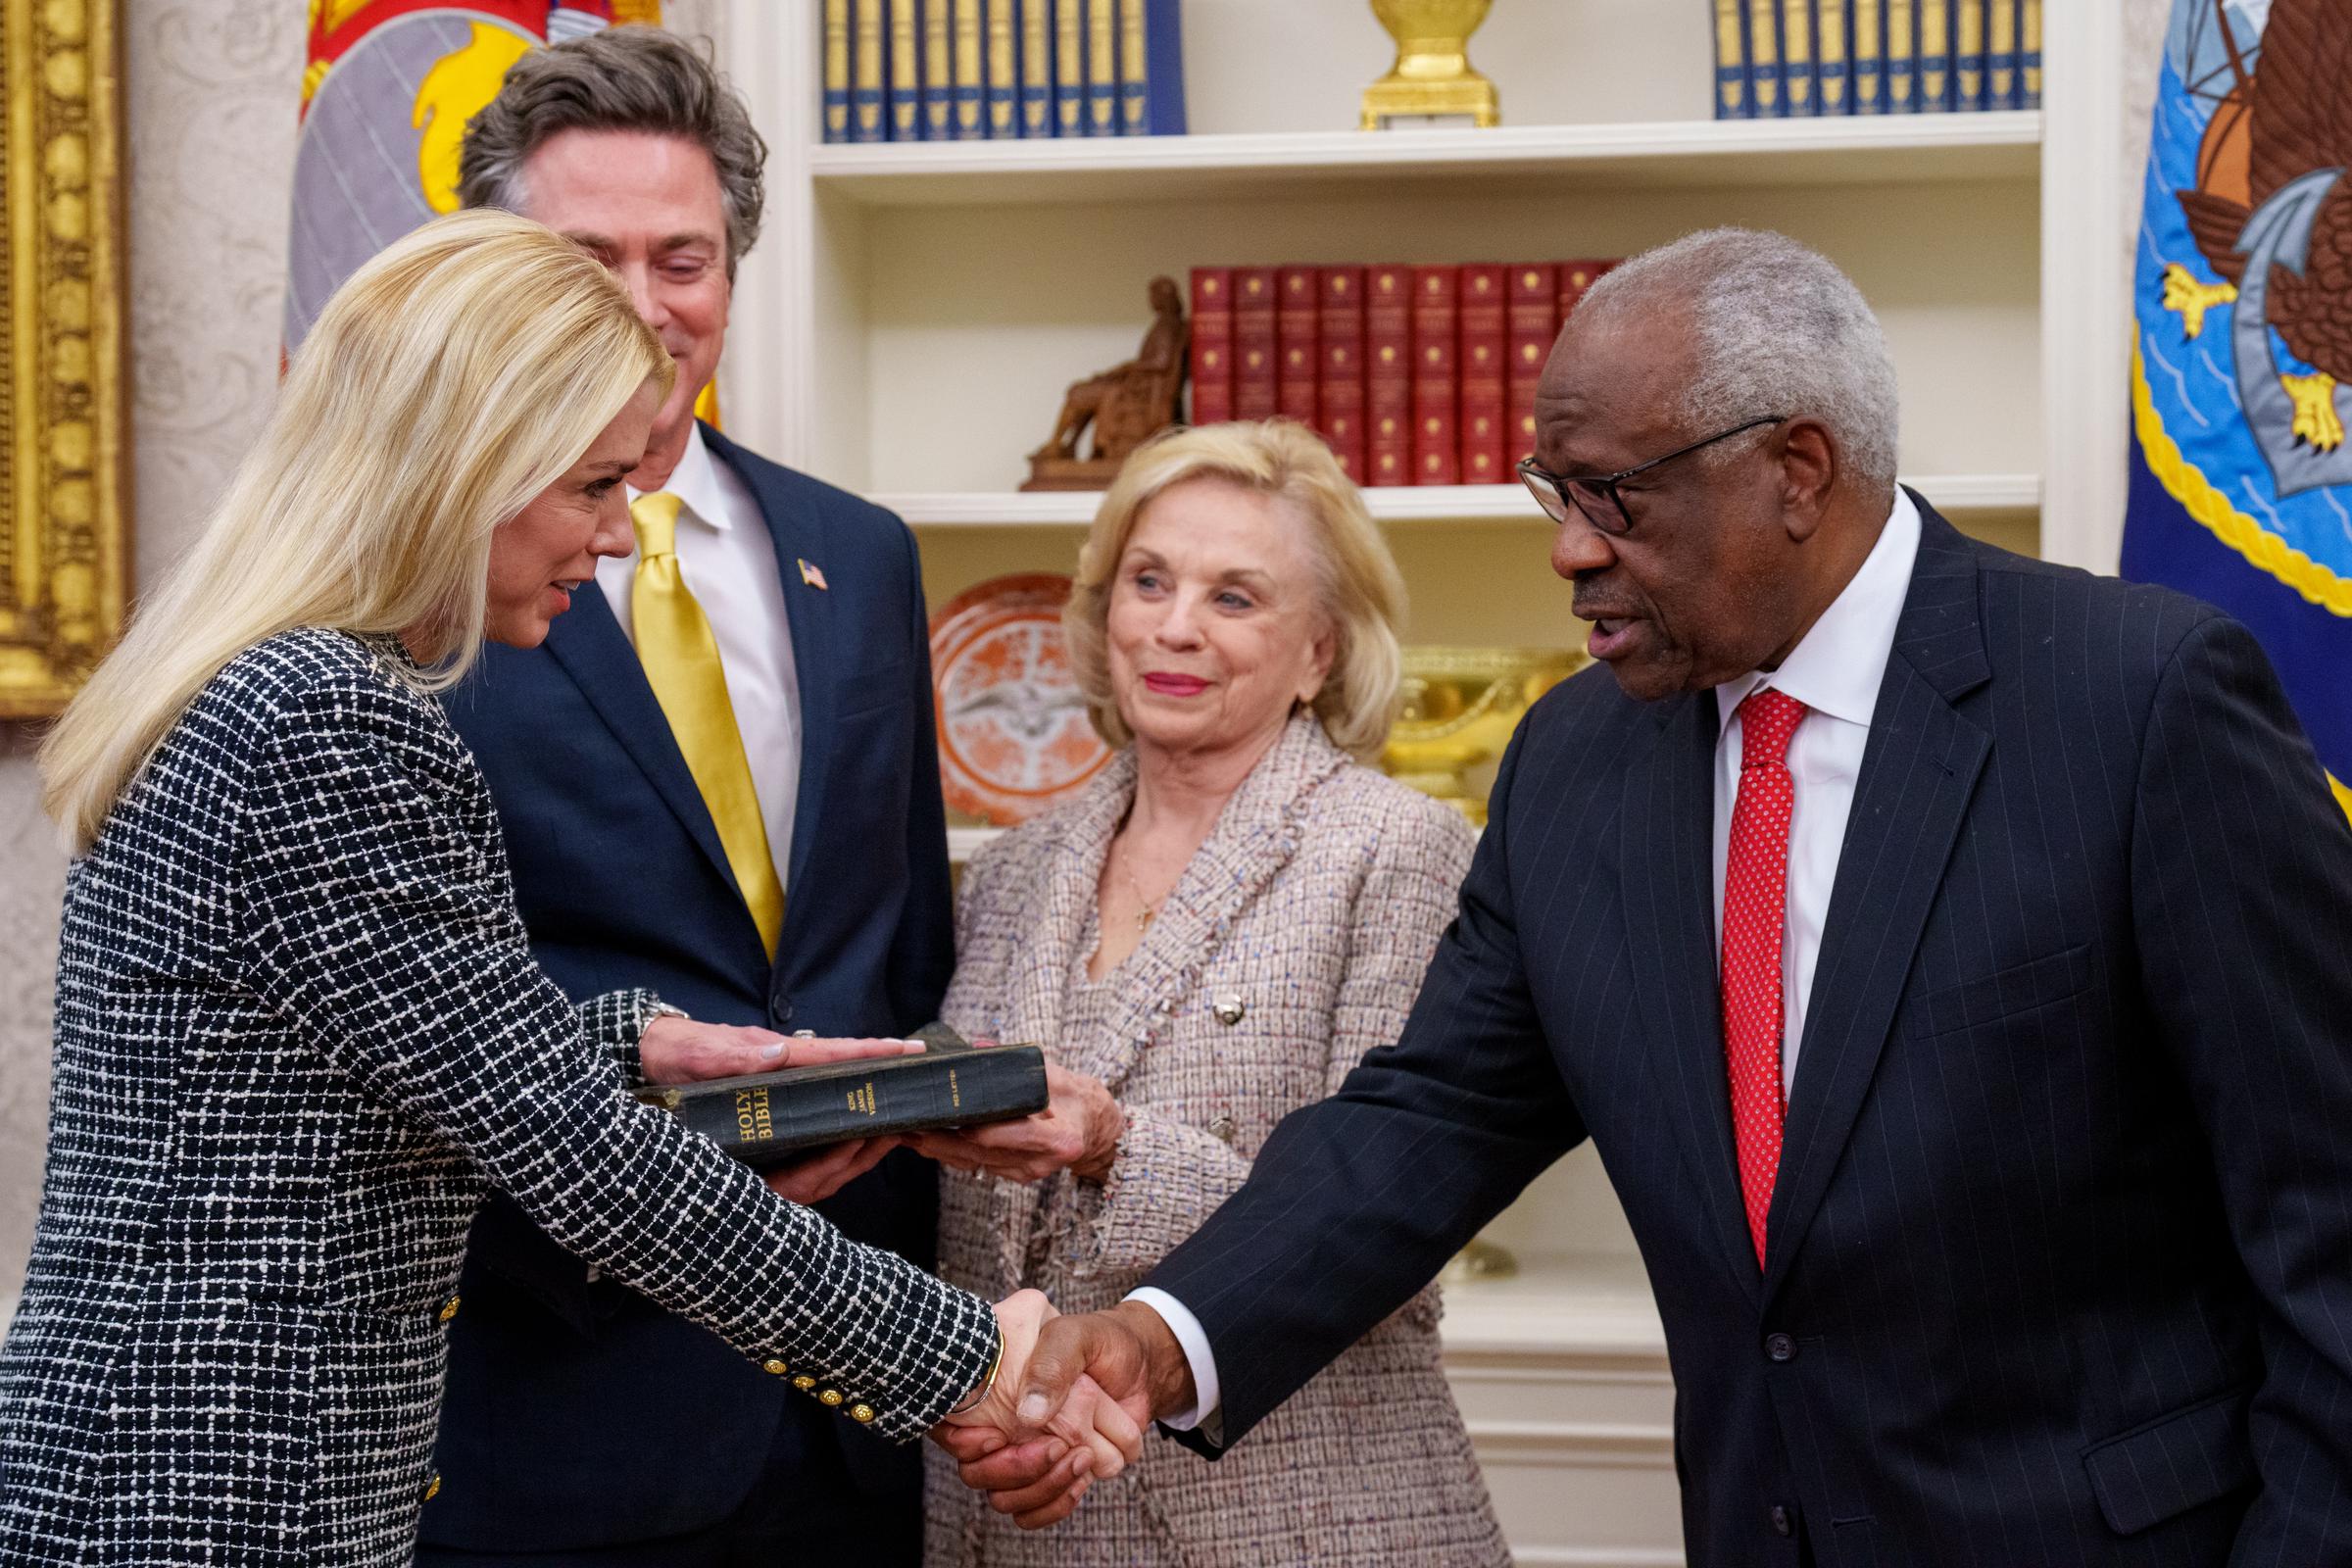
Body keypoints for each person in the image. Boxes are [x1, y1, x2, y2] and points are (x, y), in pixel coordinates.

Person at [968, 228, 2352, 1565]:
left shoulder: (2137, 702)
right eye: (1553, 496)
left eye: (1611, 497)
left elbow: (2328, 1217)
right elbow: (1435, 1115)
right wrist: (1156, 1339)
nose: (1568, 550)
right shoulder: (1577, 758)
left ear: (1796, 471)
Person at [0, 211, 1138, 1568]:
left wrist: (635, 1041)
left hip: (180, 1476)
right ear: (463, 466)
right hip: (208, 1502)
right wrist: (964, 1358)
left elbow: (336, 1046)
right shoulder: (328, 722)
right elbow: (578, 1158)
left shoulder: (282, 684)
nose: (614, 536)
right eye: (595, 485)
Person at [420, 28, 958, 1566]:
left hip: (851, 1414)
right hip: (550, 1406)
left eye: (684, 259)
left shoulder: (860, 554)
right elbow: (420, 1032)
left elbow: (901, 945)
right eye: (587, 259)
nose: (645, 307)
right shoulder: (418, 584)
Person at [917, 420, 1507, 1566]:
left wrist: (1115, 1147)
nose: (1174, 625)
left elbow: (1394, 1226)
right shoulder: (1008, 869)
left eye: (1234, 597)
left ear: (1320, 652)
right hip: (1012, 1509)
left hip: (1287, 1519)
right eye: (1149, 581)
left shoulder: (1400, 851)